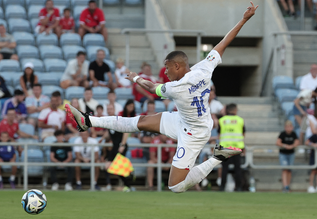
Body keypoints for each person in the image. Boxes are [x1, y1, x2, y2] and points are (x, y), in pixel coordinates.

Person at [66, 1, 257, 193]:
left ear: (177, 66)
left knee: (176, 186)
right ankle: (88, 120)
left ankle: (218, 157)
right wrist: (243, 19)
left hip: (195, 134)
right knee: (138, 122)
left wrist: (136, 78)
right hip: (181, 119)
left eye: (167, 67)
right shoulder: (204, 68)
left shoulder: (177, 87)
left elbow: (150, 87)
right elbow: (223, 43)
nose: (165, 72)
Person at [99, 104, 131, 191]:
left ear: (114, 109)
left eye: (110, 108)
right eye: (108, 109)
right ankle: (109, 185)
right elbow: (109, 132)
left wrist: (123, 144)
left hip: (121, 146)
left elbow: (126, 132)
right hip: (114, 147)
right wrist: (102, 139)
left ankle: (128, 186)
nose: (109, 110)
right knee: (107, 166)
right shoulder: (108, 121)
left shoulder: (118, 120)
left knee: (118, 167)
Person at [218, 104, 245, 192]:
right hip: (237, 147)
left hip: (224, 147)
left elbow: (219, 134)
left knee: (224, 169)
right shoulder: (240, 120)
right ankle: (239, 187)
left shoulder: (222, 120)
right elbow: (243, 134)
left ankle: (222, 188)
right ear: (235, 110)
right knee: (237, 169)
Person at [276, 120, 299, 192]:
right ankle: (285, 186)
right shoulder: (282, 134)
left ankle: (288, 186)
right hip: (283, 153)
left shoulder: (293, 134)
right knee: (285, 169)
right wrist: (285, 145)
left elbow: (297, 142)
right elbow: (278, 142)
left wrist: (292, 146)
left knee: (289, 170)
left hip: (291, 153)